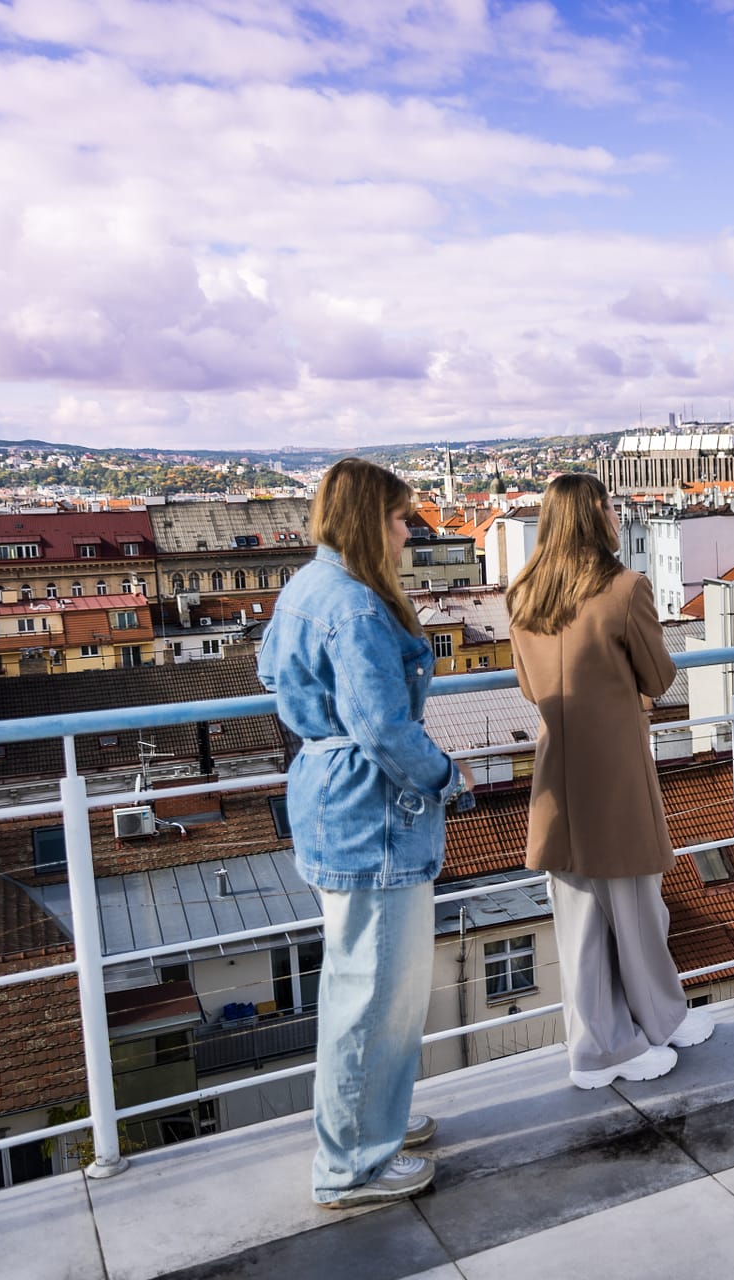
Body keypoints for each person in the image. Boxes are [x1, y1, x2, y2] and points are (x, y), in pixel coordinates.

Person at [258, 457, 476, 1209]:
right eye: (395, 516)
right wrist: (448, 775)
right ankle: (350, 1165)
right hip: (371, 810)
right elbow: (384, 726)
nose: (405, 529)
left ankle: (373, 1123)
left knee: (372, 985)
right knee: (373, 991)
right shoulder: (352, 607)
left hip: (331, 799)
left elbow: (269, 675)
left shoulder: (306, 586)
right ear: (363, 519)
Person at [508, 473, 712, 1089]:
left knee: (580, 917)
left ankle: (620, 1035)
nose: (619, 516)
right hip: (617, 765)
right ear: (594, 515)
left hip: (559, 762)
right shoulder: (626, 588)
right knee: (638, 903)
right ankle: (620, 1042)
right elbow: (657, 677)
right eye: (611, 506)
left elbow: (526, 685)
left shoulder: (522, 595)